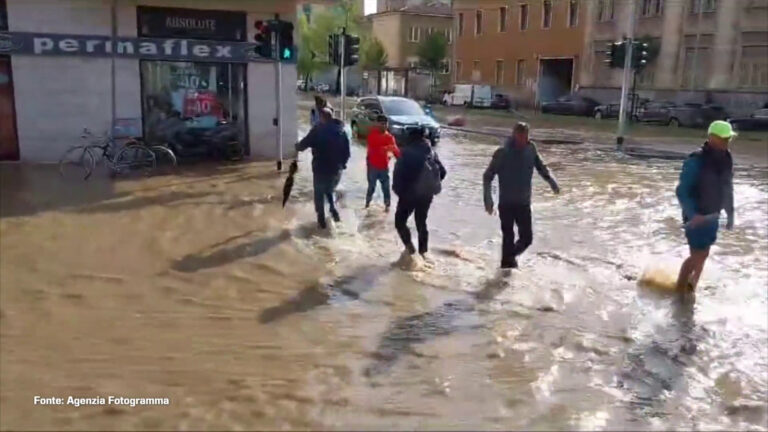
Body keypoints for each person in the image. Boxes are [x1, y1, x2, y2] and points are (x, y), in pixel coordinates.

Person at [483, 122, 560, 269]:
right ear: (514, 135)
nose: (523, 141)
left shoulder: (531, 149)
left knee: (527, 239)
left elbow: (541, 167)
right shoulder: (502, 153)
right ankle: (506, 270)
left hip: (523, 203)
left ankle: (508, 260)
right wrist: (488, 199)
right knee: (508, 237)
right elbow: (487, 176)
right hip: (506, 203)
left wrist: (552, 182)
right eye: (520, 137)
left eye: (525, 137)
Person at [675, 120, 735, 293]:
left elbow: (727, 187)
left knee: (704, 254)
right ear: (711, 138)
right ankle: (679, 291)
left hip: (713, 215)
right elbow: (682, 191)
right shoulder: (696, 160)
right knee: (696, 256)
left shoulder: (726, 158)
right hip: (695, 216)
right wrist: (692, 214)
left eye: (728, 138)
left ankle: (691, 287)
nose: (726, 142)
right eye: (723, 138)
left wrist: (730, 213)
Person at [392, 126, 446, 260]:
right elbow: (443, 172)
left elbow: (398, 175)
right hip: (426, 195)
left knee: (400, 222)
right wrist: (430, 184)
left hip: (408, 195)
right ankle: (424, 252)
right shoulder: (431, 152)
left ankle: (410, 250)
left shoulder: (405, 152)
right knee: (421, 222)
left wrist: (399, 192)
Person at [296, 107, 351, 229]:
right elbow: (347, 152)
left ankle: (321, 221)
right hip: (336, 170)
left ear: (321, 118)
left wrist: (296, 147)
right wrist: (342, 165)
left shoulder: (317, 130)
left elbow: (303, 145)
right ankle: (333, 210)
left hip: (320, 169)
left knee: (319, 195)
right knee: (329, 190)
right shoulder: (342, 131)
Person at [366, 115, 401, 211]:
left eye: (386, 124)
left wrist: (401, 160)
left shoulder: (389, 137)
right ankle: (367, 204)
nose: (384, 126)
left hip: (384, 167)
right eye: (382, 124)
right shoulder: (372, 134)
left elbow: (396, 151)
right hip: (372, 166)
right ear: (376, 124)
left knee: (386, 188)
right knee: (371, 187)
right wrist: (388, 148)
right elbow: (376, 148)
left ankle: (387, 207)